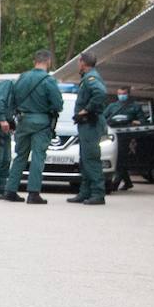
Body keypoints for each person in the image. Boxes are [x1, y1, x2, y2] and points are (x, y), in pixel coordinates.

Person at [3, 50, 64, 205]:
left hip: (23, 121)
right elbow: (58, 104)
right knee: (38, 156)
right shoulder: (48, 80)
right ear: (48, 61)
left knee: (20, 155)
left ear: (34, 61)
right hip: (41, 123)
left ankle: (10, 190)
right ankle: (33, 193)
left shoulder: (22, 78)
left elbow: (12, 99)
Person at [68, 53, 108, 205]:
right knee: (85, 159)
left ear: (83, 63)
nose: (78, 64)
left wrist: (86, 110)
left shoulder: (91, 78)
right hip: (86, 125)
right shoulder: (87, 77)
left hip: (91, 123)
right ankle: (85, 192)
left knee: (91, 158)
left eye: (79, 61)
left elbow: (100, 93)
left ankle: (98, 193)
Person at [102, 86, 145, 190]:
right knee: (118, 160)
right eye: (120, 94)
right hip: (112, 135)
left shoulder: (135, 107)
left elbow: (142, 121)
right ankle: (128, 182)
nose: (122, 96)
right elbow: (103, 118)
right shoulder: (112, 106)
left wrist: (134, 122)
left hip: (127, 137)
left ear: (128, 94)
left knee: (121, 159)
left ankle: (115, 184)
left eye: (124, 94)